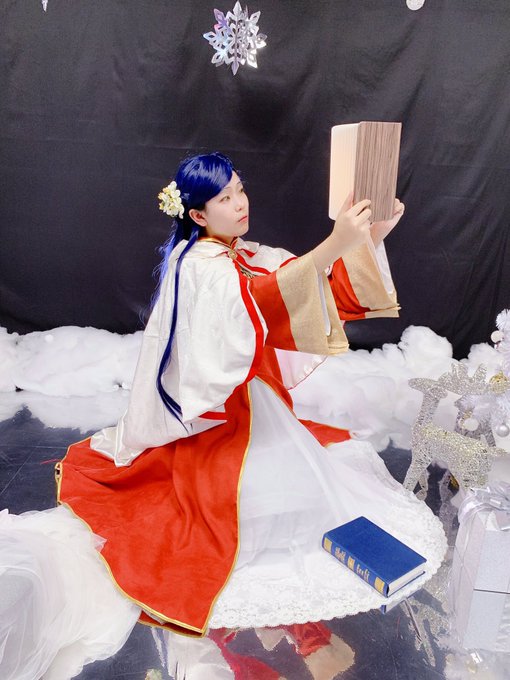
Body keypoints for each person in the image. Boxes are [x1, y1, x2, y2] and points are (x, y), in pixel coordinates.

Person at [1, 152, 446, 677]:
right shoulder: (197, 265)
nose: (240, 204)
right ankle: (261, 632)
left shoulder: (244, 253)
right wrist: (334, 243)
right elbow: (262, 303)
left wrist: (368, 239)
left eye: (240, 190)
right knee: (236, 503)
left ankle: (293, 623)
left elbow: (306, 290)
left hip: (258, 400)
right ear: (197, 215)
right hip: (219, 413)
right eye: (225, 198)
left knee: (296, 488)